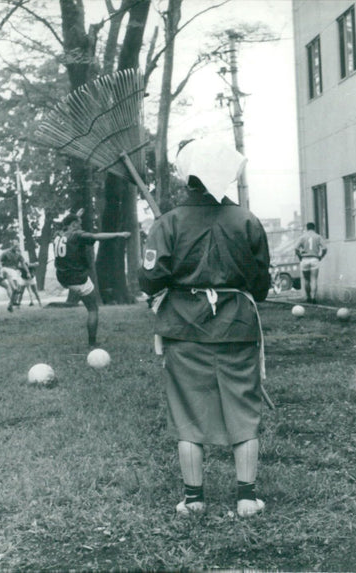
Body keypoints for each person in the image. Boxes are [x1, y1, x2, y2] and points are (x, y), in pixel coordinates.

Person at [138, 139, 271, 518]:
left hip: (184, 327)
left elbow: (150, 279)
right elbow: (260, 286)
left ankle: (194, 499)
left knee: (188, 412)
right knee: (243, 409)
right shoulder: (247, 221)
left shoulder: (168, 223)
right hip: (237, 327)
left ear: (186, 177)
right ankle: (247, 497)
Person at [53, 209, 130, 347]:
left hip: (63, 277)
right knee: (93, 309)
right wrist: (119, 234)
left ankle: (92, 341)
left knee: (90, 305)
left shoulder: (58, 235)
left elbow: (66, 224)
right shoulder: (77, 235)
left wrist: (76, 215)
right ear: (74, 224)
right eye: (79, 223)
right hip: (77, 278)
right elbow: (97, 236)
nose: (81, 226)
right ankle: (92, 343)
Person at [294, 222, 327, 303]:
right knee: (314, 279)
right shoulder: (318, 236)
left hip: (305, 259)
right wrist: (321, 257)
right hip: (314, 259)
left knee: (306, 280)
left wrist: (300, 257)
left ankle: (308, 297)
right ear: (314, 228)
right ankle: (313, 298)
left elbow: (296, 249)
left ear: (307, 228)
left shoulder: (302, 237)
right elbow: (325, 248)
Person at [0, 242, 26, 312]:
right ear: (11, 245)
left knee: (15, 289)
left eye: (17, 246)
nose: (16, 247)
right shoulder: (5, 253)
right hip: (6, 269)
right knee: (13, 287)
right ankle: (11, 303)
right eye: (15, 246)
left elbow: (23, 263)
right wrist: (1, 268)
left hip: (14, 271)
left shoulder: (18, 254)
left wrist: (28, 272)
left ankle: (10, 305)